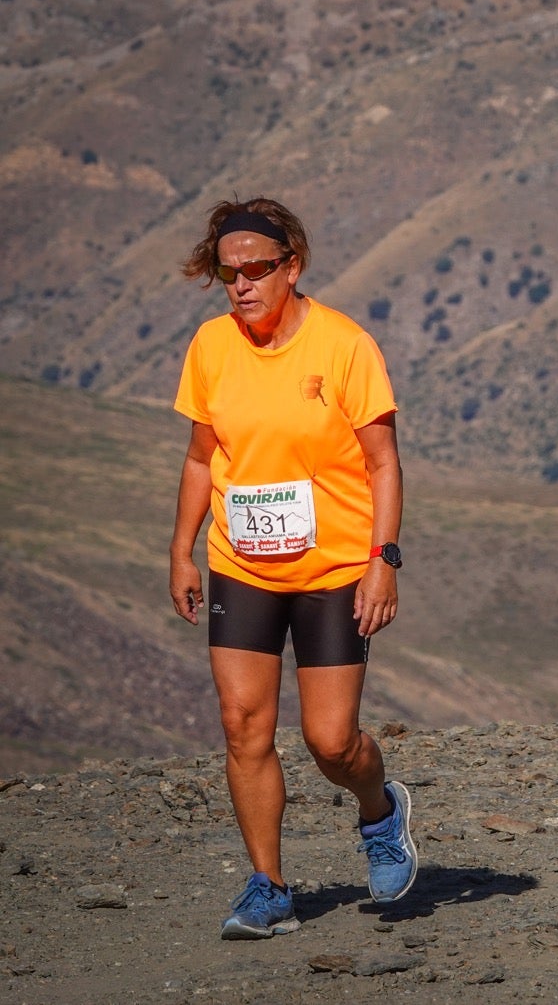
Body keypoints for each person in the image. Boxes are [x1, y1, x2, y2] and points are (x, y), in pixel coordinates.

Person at [168, 197, 418, 940]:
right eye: (228, 271)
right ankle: (268, 887)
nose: (242, 284)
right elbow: (200, 456)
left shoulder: (344, 346)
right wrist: (181, 548)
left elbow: (383, 463)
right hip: (240, 564)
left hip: (335, 568)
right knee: (243, 725)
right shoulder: (212, 346)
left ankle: (380, 810)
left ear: (292, 267)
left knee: (330, 741)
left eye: (258, 269)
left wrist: (384, 560)